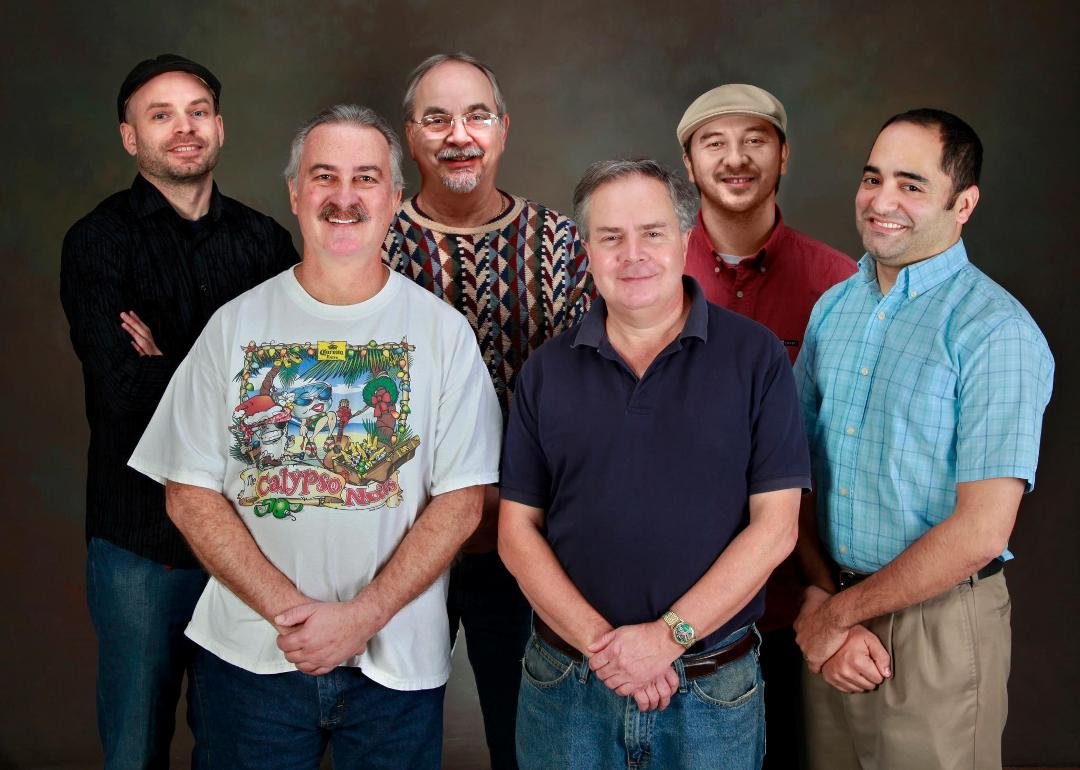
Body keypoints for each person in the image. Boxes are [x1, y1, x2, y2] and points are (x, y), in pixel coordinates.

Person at [128, 104, 501, 768]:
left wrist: (362, 617)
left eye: (365, 178)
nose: (344, 197)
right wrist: (289, 614)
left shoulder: (443, 334)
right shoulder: (233, 326)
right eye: (324, 176)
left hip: (397, 663)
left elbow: (463, 501)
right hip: (250, 657)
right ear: (296, 193)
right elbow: (188, 492)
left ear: (394, 197)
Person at [498, 159, 810, 770]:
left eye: (652, 233)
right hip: (568, 685)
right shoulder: (546, 371)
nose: (632, 254)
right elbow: (516, 534)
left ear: (685, 239)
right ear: (588, 250)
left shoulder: (756, 357)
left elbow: (776, 529)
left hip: (712, 688)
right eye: (611, 237)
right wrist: (610, 651)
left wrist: (666, 639)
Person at [793, 108, 1054, 770]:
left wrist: (836, 615)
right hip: (831, 609)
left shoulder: (995, 332)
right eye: (872, 178)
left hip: (937, 625)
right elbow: (793, 471)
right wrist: (824, 598)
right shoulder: (833, 310)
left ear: (962, 204)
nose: (882, 201)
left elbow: (981, 533)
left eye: (911, 184)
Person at [59, 53, 298, 768]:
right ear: (131, 137)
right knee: (135, 746)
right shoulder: (97, 242)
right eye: (160, 115)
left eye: (197, 112)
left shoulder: (265, 243)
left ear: (219, 126)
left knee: (237, 747)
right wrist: (243, 387)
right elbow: (124, 391)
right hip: (141, 544)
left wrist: (171, 361)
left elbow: (291, 400)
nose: (184, 128)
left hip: (249, 543)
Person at [385, 52, 592, 769]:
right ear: (410, 135)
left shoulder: (559, 245)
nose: (458, 135)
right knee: (392, 735)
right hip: (399, 540)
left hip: (524, 538)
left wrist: (513, 507)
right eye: (436, 119)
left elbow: (584, 400)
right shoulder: (374, 245)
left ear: (503, 129)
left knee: (526, 737)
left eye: (476, 116)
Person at [676, 82, 856, 767]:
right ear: (689, 163)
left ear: (783, 156)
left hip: (798, 598)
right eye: (714, 143)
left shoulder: (839, 285)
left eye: (755, 141)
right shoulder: (649, 273)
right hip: (676, 595)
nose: (735, 159)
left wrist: (828, 590)